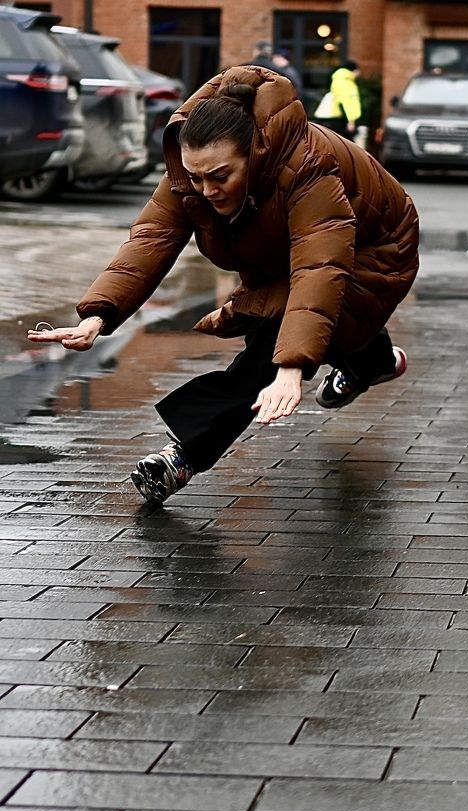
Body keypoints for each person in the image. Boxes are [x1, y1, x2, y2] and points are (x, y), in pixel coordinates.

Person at [26, 66, 419, 505]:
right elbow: (152, 237)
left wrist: (290, 370)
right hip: (291, 252)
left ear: (255, 153)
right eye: (197, 179)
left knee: (275, 342)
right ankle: (376, 361)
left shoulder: (308, 167)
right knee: (331, 325)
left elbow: (319, 269)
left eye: (220, 176)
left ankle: (182, 458)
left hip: (376, 247)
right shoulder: (195, 160)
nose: (207, 190)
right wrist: (99, 314)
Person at [327, 59, 362, 138]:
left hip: (338, 116)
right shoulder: (346, 82)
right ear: (354, 70)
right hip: (344, 118)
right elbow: (346, 102)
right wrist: (351, 121)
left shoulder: (339, 79)